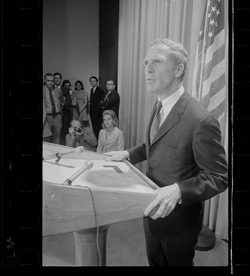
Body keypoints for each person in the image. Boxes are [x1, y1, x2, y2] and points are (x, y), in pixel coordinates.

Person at [103, 38, 228, 266]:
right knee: (155, 261)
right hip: (151, 211)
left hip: (179, 222)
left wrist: (179, 190)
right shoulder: (159, 104)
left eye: (157, 62)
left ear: (179, 69)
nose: (147, 69)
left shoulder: (201, 120)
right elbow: (156, 145)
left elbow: (219, 177)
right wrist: (129, 154)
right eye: (146, 62)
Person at [43, 73, 62, 144]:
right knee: (46, 139)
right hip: (47, 117)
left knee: (57, 139)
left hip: (58, 116)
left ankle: (56, 154)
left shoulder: (57, 90)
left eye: (52, 81)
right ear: (44, 80)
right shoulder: (43, 90)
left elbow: (61, 100)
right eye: (48, 80)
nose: (50, 82)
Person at [88, 76, 104, 140]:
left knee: (98, 129)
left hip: (98, 114)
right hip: (92, 113)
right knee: (94, 128)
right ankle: (97, 142)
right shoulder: (92, 90)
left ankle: (100, 143)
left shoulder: (100, 90)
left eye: (94, 81)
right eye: (91, 81)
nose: (92, 83)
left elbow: (101, 103)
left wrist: (99, 112)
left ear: (97, 82)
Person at [59, 79, 73, 145]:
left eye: (68, 85)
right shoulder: (60, 90)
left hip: (67, 112)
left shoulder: (70, 91)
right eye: (66, 85)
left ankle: (65, 144)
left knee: (65, 129)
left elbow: (70, 102)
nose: (67, 87)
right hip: (60, 112)